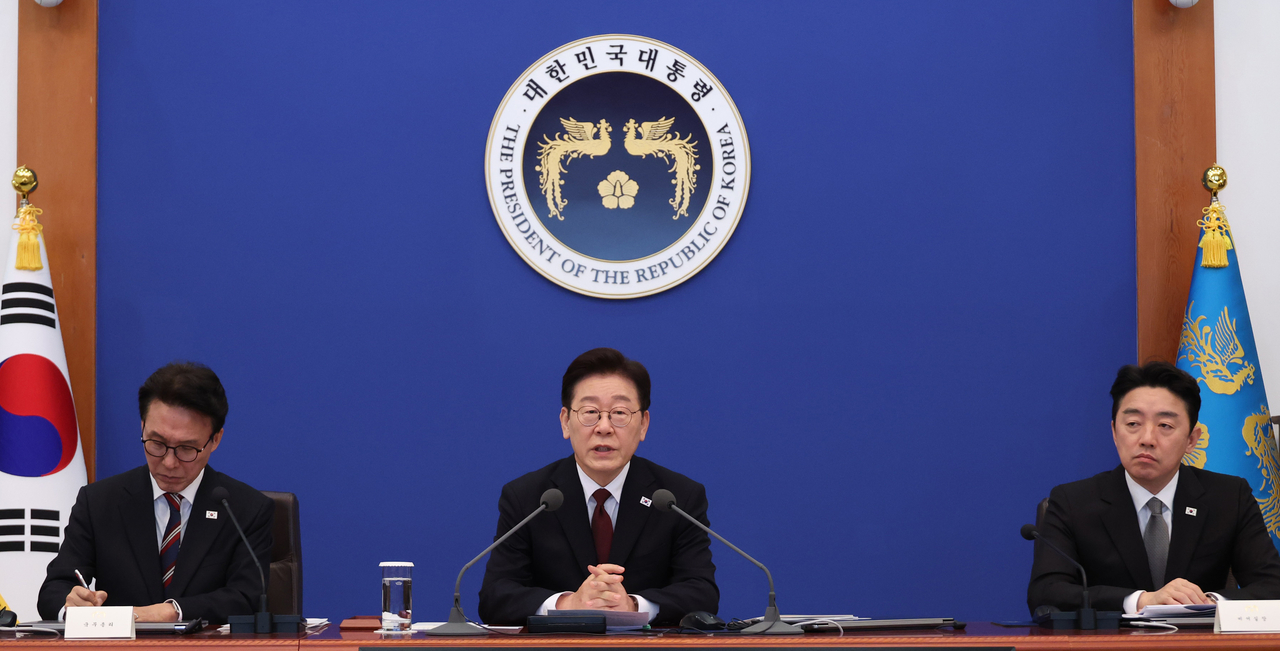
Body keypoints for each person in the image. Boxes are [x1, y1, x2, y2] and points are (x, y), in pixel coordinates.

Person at [478, 348, 718, 626]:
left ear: (643, 425)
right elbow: (496, 596)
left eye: (619, 412)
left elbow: (702, 593)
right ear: (566, 422)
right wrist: (568, 603)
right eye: (590, 412)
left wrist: (632, 605)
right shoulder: (528, 497)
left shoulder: (677, 497)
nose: (604, 427)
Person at [1027, 361, 1280, 614]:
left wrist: (1208, 603)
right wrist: (1140, 601)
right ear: (1115, 432)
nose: (1147, 439)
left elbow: (1273, 586)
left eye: (1165, 426)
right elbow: (1046, 594)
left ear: (1192, 440)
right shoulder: (1073, 502)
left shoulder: (1228, 497)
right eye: (1133, 424)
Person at [38, 362, 273, 624]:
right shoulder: (99, 502)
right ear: (142, 428)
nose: (169, 462)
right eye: (157, 443)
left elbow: (246, 597)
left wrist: (171, 611)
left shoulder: (245, 509)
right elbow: (53, 590)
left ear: (215, 439)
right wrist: (71, 604)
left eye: (187, 448)